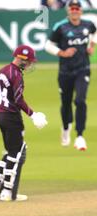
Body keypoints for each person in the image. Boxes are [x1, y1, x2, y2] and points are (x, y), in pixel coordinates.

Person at [0, 45, 48, 202]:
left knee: (10, 150)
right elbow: (18, 98)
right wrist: (33, 114)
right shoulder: (16, 75)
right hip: (12, 117)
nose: (30, 65)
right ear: (21, 59)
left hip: (1, 116)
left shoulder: (3, 70)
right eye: (28, 61)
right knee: (17, 153)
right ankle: (8, 192)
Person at [45, 0, 97, 150]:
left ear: (80, 11)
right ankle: (66, 128)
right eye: (72, 8)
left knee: (80, 100)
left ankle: (80, 136)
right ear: (68, 11)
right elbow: (48, 45)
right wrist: (62, 53)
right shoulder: (61, 27)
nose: (75, 11)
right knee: (66, 103)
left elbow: (94, 33)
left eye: (77, 8)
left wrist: (92, 45)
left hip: (83, 69)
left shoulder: (88, 25)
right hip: (65, 71)